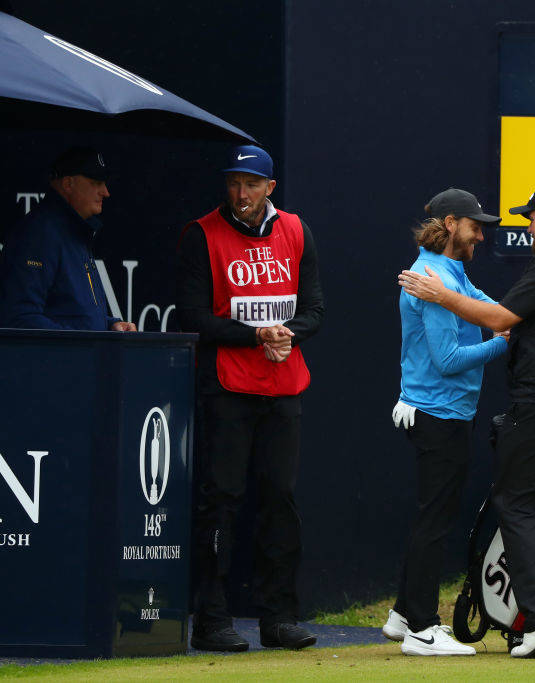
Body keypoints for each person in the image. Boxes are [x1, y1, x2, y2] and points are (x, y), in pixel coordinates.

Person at [398, 182, 535, 659]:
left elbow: (500, 318)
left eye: (532, 220)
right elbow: (487, 329)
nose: (526, 229)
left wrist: (454, 304)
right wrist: (501, 329)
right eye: (477, 227)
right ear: (452, 225)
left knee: (515, 502)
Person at [177, 145, 325, 652]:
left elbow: (315, 308)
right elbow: (191, 315)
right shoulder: (202, 234)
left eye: (251, 184)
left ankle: (278, 618)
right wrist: (256, 335)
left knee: (279, 501)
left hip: (285, 387)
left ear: (270, 189)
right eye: (234, 183)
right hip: (228, 387)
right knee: (221, 501)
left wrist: (288, 334)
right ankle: (213, 619)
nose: (241, 194)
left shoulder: (297, 230)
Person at [384, 188, 507, 656]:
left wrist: (513, 321)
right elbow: (449, 358)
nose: (481, 234)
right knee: (433, 521)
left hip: (445, 412)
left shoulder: (450, 272)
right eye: (476, 225)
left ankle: (401, 614)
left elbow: (490, 310)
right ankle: (421, 628)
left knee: (431, 517)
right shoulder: (430, 278)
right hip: (437, 413)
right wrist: (506, 342)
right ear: (451, 224)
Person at [0, 146, 136, 331]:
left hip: (79, 357)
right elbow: (19, 318)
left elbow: (74, 314)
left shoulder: (74, 231)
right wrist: (83, 344)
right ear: (68, 184)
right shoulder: (39, 233)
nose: (105, 192)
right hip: (59, 360)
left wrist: (109, 325)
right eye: (96, 182)